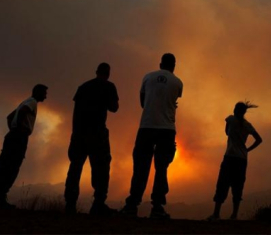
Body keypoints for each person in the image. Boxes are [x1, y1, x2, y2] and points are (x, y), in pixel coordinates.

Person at [121, 53, 183, 219]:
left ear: (160, 63)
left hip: (146, 126)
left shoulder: (147, 77)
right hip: (167, 129)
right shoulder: (178, 82)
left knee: (141, 167)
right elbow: (173, 101)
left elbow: (143, 102)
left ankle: (132, 205)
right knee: (161, 168)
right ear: (174, 65)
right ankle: (157, 207)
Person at [64, 63, 119, 215]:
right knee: (101, 168)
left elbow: (75, 112)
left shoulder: (83, 87)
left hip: (79, 134)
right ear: (108, 73)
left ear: (96, 72)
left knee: (75, 167)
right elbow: (114, 108)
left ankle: (70, 204)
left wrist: (74, 134)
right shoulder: (109, 86)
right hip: (97, 134)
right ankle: (98, 204)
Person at [208, 101, 262, 220]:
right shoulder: (248, 125)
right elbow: (259, 140)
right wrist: (247, 150)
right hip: (242, 159)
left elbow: (227, 133)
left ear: (235, 110)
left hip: (230, 157)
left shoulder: (230, 120)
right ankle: (234, 215)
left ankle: (216, 214)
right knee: (238, 186)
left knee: (222, 184)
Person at [0, 84, 48, 209]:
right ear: (38, 92)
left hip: (12, 136)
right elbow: (21, 113)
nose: (46, 96)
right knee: (12, 166)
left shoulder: (25, 101)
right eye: (44, 93)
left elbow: (9, 116)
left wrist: (13, 129)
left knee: (5, 165)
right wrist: (20, 131)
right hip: (18, 137)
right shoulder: (32, 102)